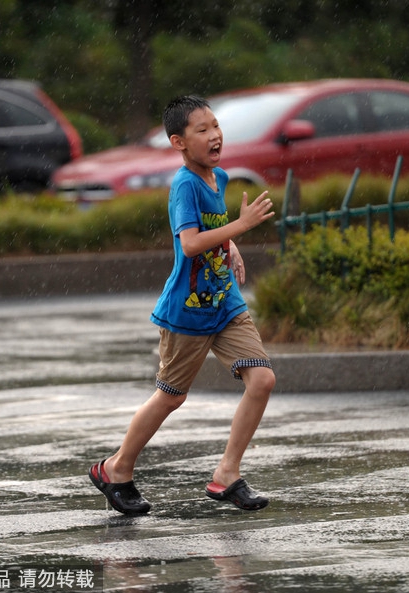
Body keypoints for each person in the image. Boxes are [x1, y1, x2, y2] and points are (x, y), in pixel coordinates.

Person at [88, 95, 276, 514]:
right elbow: (190, 243)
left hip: (225, 303)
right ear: (179, 142)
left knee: (262, 379)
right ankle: (116, 468)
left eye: (215, 126)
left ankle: (227, 473)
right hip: (187, 311)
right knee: (170, 397)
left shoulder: (218, 178)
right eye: (202, 130)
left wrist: (230, 244)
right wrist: (240, 226)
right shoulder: (184, 185)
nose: (215, 135)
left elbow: (212, 230)